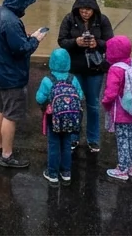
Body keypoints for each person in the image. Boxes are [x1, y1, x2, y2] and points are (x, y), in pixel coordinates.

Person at [0, 0, 47, 169]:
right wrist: (35, 39)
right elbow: (21, 49)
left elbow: (8, 41)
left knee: (0, 109)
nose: (25, 8)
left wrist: (24, 37)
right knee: (10, 116)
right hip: (11, 76)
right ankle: (6, 155)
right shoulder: (12, 21)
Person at [57, 0, 113, 153]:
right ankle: (73, 137)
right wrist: (76, 42)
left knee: (93, 104)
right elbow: (62, 41)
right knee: (74, 104)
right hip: (75, 68)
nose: (85, 13)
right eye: (82, 10)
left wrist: (97, 43)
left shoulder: (102, 20)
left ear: (94, 9)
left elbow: (110, 43)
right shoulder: (69, 19)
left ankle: (93, 139)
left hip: (95, 69)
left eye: (88, 10)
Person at [35, 48, 83, 186]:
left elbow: (39, 98)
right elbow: (80, 96)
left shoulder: (47, 80)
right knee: (66, 144)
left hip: (53, 118)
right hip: (70, 118)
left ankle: (52, 173)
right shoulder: (73, 79)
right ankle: (66, 172)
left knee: (54, 144)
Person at [101, 35, 132, 181]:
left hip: (120, 110)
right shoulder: (131, 63)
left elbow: (111, 93)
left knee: (122, 138)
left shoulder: (115, 69)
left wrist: (105, 103)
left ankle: (122, 168)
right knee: (131, 137)